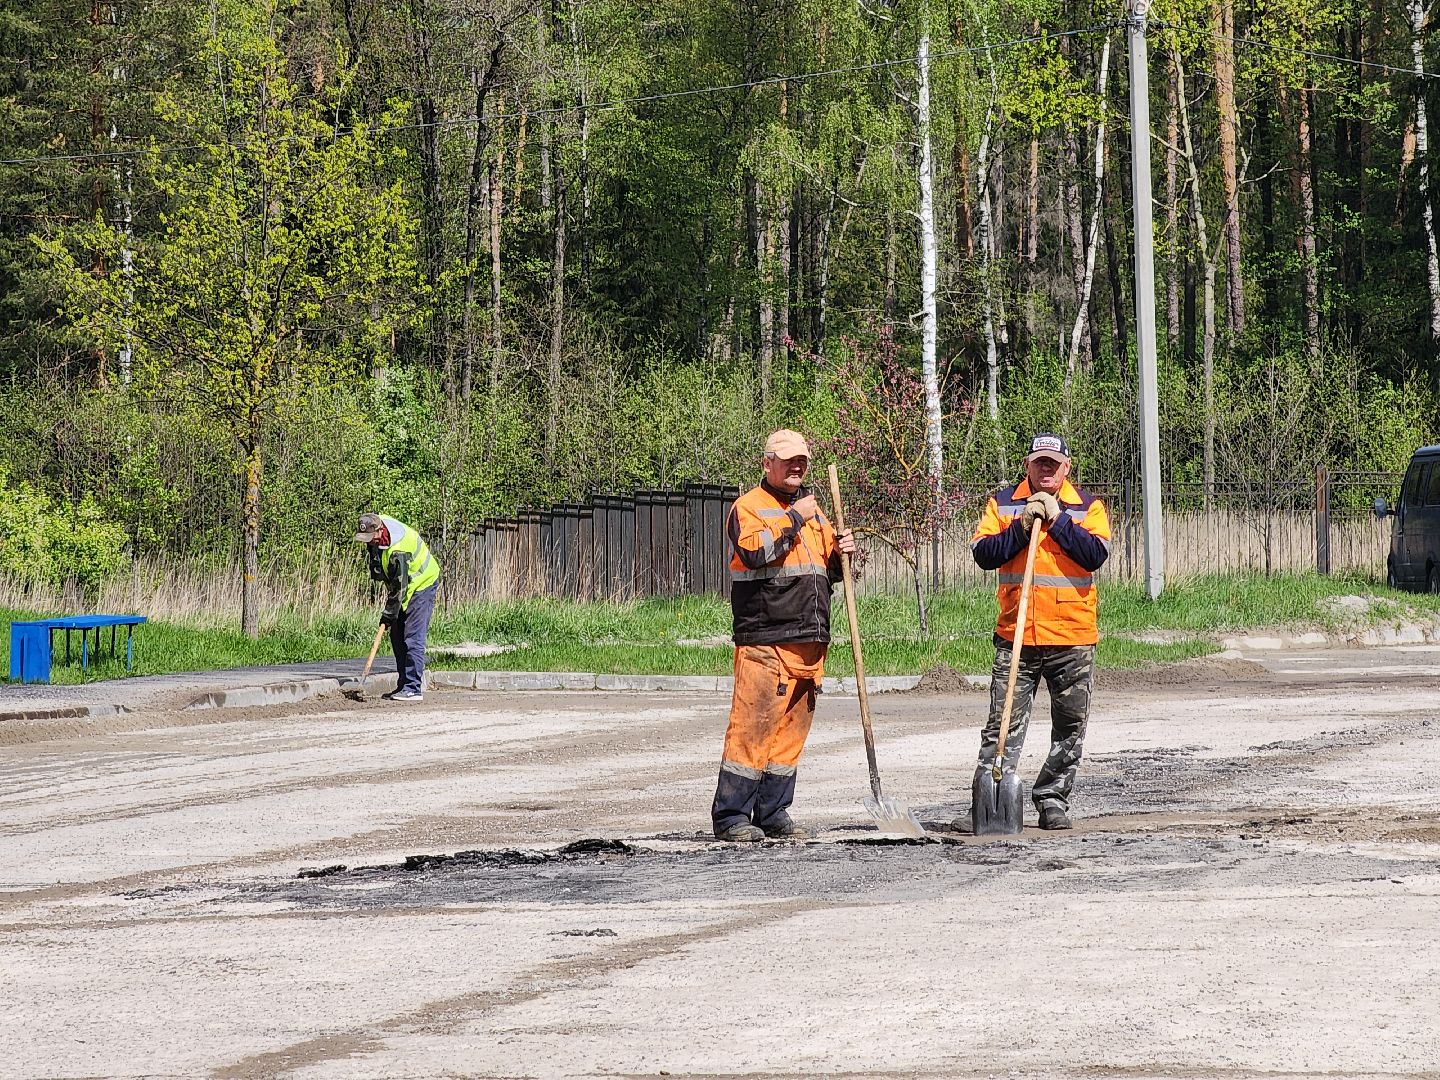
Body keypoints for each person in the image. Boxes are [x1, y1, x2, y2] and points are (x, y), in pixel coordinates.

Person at [956, 433, 1111, 832]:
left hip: (1072, 637)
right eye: (1039, 462)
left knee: (1071, 725)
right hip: (1016, 635)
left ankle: (1052, 799)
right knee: (1001, 724)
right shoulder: (1003, 503)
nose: (1047, 469)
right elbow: (983, 555)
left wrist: (1057, 519)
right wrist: (1023, 525)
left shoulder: (1087, 507)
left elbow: (1094, 555)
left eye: (1053, 464)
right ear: (1027, 465)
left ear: (1066, 467)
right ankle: (990, 801)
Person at [709, 429, 857, 842]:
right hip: (766, 638)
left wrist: (842, 553)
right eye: (788, 460)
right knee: (752, 729)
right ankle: (732, 816)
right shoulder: (749, 508)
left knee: (788, 737)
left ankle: (772, 812)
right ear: (767, 463)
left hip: (810, 640)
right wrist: (796, 520)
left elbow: (827, 574)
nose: (797, 467)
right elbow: (756, 554)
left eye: (802, 461)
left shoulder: (816, 516)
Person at [354, 512, 441, 703]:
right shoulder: (378, 533)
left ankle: (413, 688)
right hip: (405, 587)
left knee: (412, 637)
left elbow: (399, 589)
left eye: (370, 538)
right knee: (396, 635)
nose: (368, 543)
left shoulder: (398, 548)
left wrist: (387, 615)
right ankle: (403, 685)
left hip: (422, 584)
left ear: (379, 530)